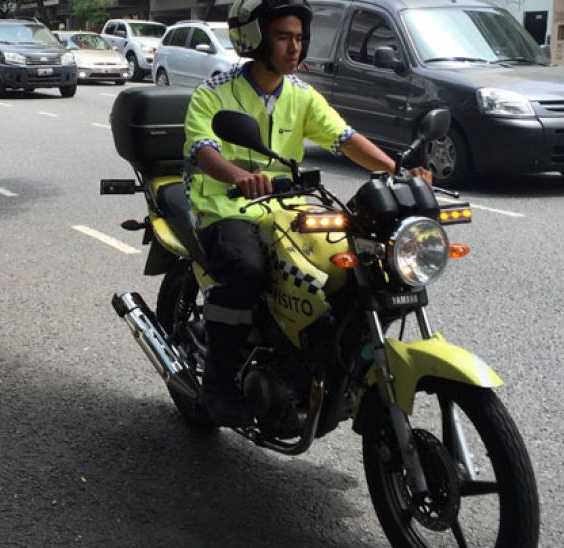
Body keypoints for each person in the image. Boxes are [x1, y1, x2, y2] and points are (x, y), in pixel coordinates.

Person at [183, 0, 431, 426]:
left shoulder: (301, 94)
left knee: (359, 267)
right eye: (283, 37)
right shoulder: (215, 91)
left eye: (299, 38)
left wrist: (400, 172)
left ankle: (327, 359)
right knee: (246, 272)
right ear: (257, 39)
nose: (294, 48)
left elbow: (345, 139)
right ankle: (219, 384)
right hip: (225, 205)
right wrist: (239, 174)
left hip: (288, 207)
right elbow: (203, 150)